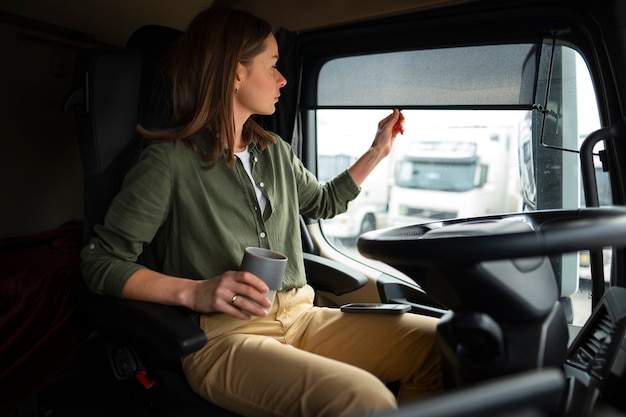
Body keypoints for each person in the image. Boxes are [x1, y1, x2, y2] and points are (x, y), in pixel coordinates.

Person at [81, 6, 442, 417]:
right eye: (272, 65)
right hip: (224, 338)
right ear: (236, 74)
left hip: (302, 317)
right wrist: (194, 291)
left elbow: (323, 202)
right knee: (365, 399)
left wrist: (377, 151)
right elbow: (100, 263)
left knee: (443, 343)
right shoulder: (168, 163)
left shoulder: (276, 152)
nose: (282, 78)